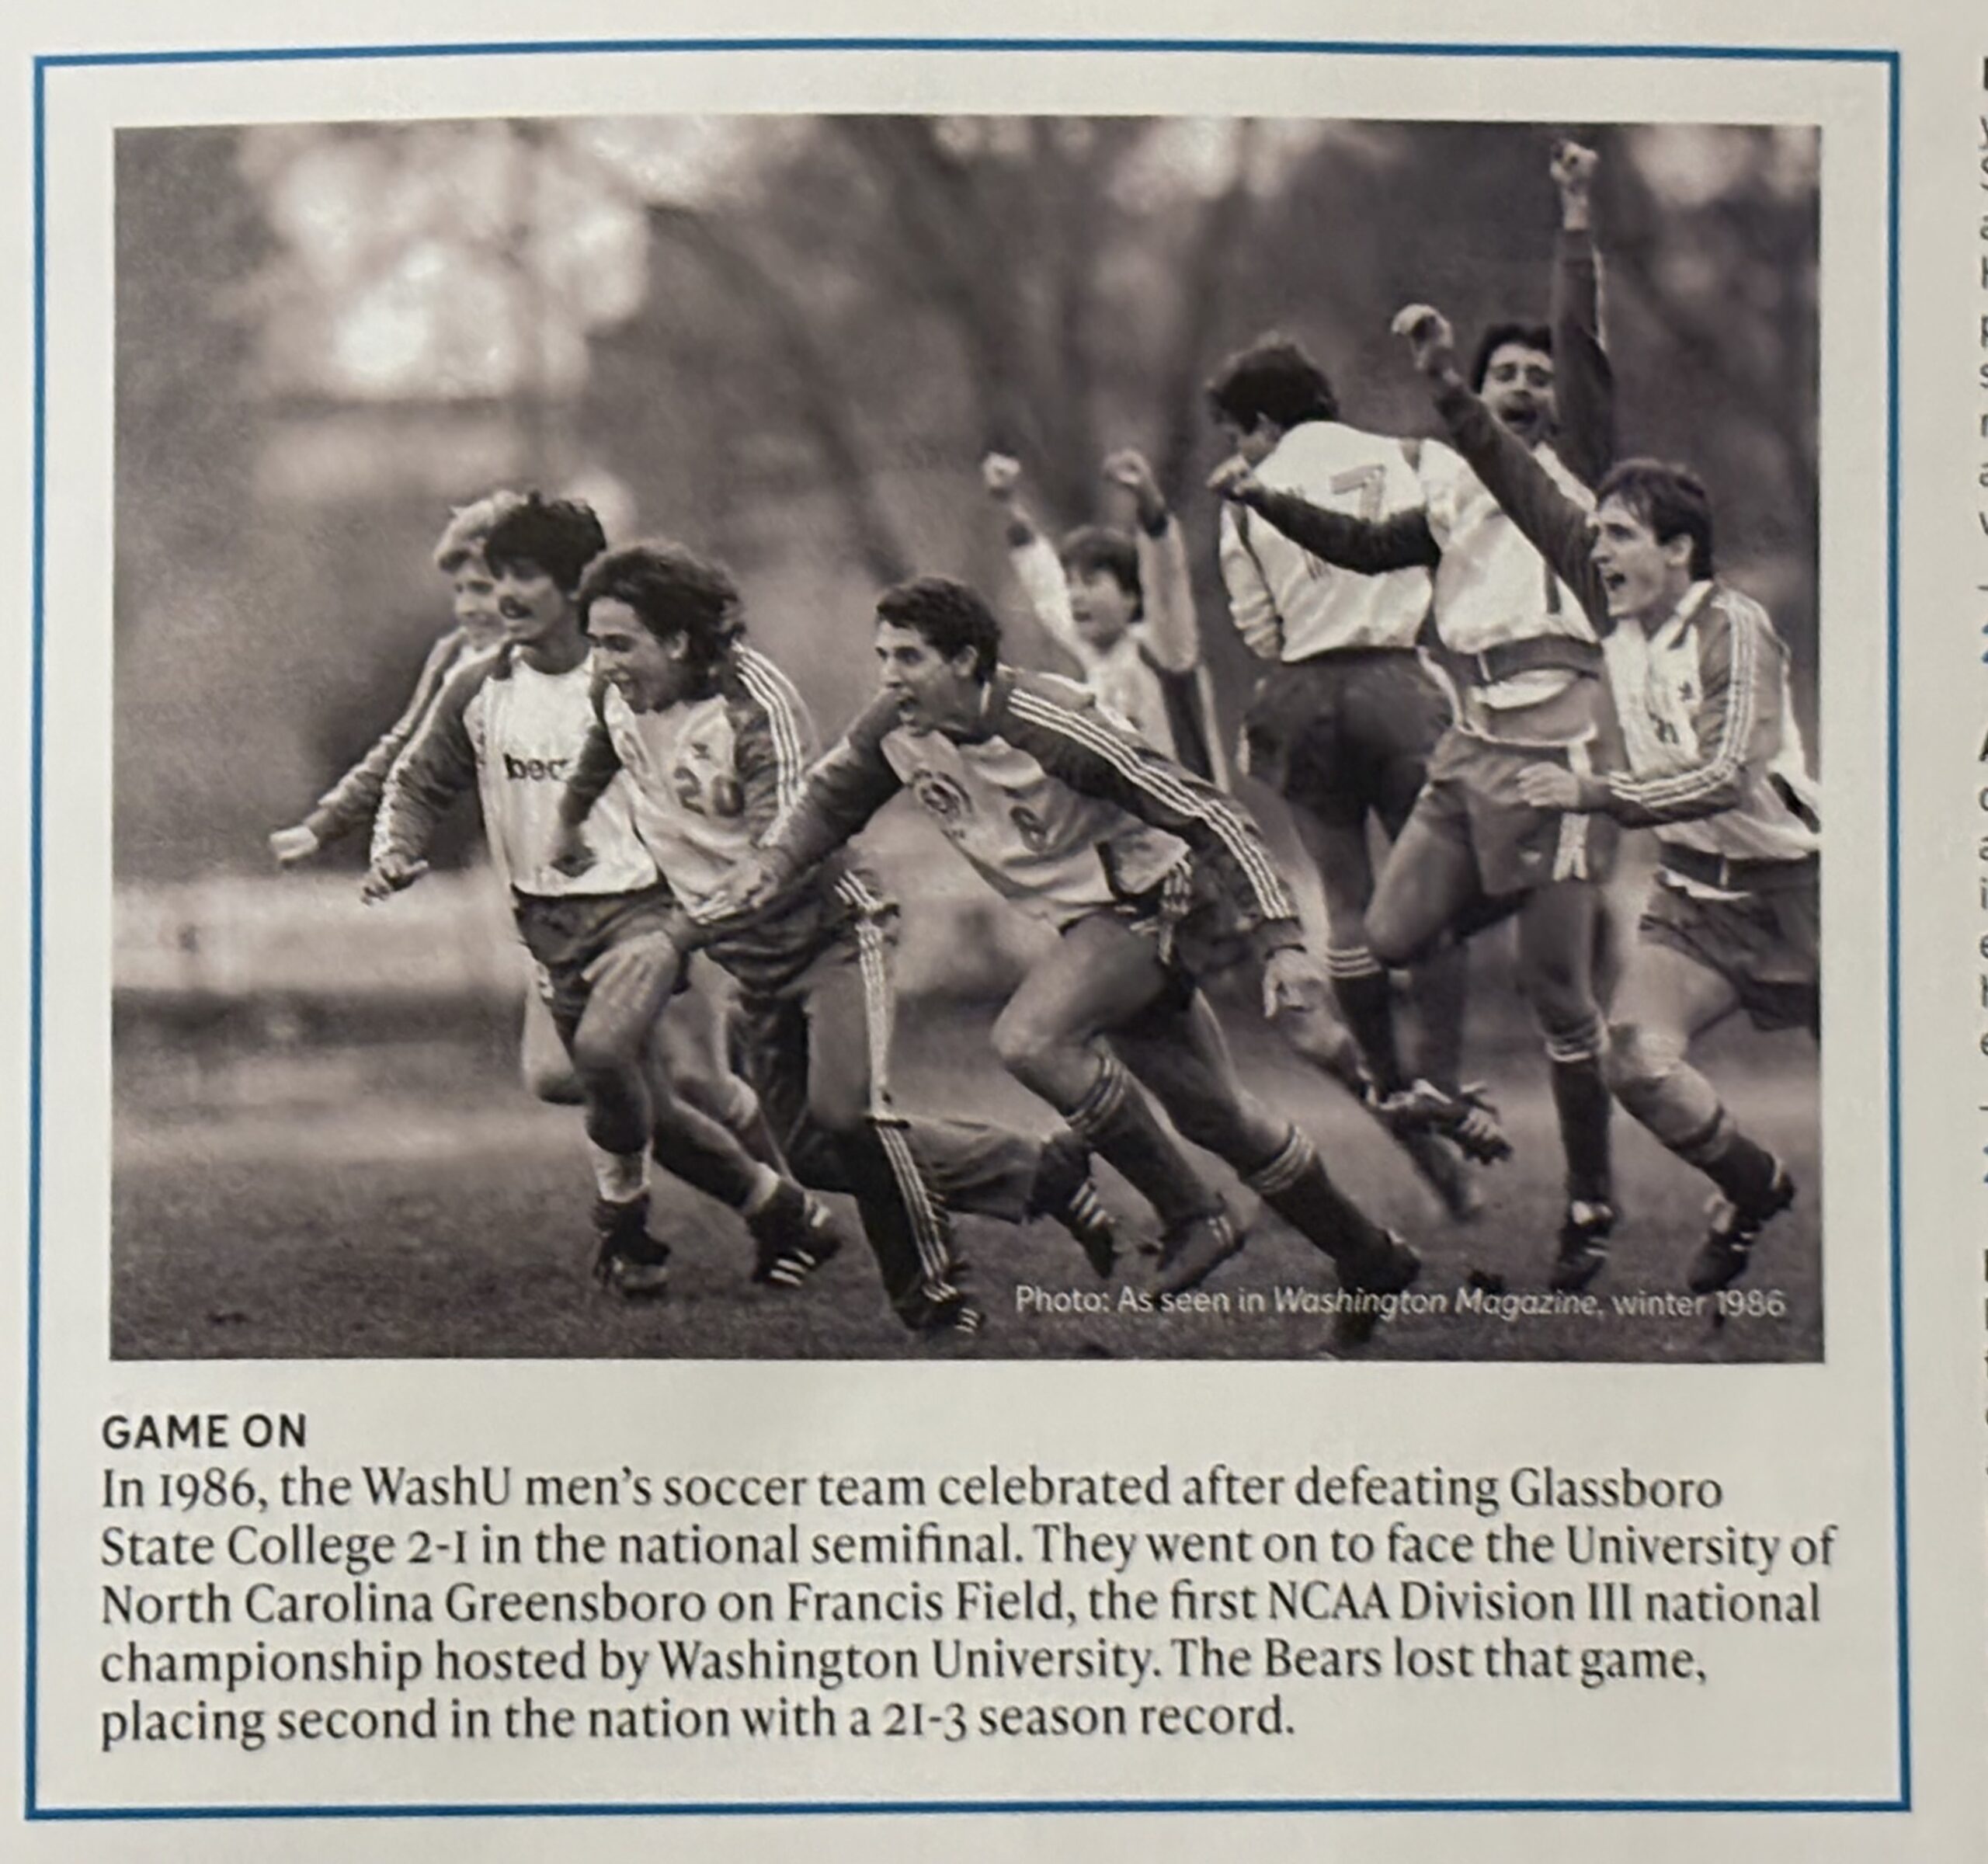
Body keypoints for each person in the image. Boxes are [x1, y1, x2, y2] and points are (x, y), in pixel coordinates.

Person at [700, 574, 1422, 1347]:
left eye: (908, 657)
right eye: (882, 655)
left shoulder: (1055, 726)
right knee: (1215, 1114)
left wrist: (1280, 941)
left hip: (1159, 904)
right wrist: (774, 864)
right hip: (1089, 921)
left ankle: (1194, 1213)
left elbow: (1209, 812)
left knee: (1030, 1038)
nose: (888, 674)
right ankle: (1369, 1256)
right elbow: (828, 801)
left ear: (967, 661)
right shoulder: (898, 727)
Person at [1211, 140, 1623, 1290]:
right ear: (1480, 393)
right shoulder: (1445, 480)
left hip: (1565, 752)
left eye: (1540, 374)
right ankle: (1405, 1084)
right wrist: (1266, 498)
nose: (1529, 385)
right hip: (1474, 751)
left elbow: (1581, 339)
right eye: (1509, 376)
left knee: (1558, 994)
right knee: (1383, 940)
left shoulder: (1586, 464)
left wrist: (1576, 214)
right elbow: (1364, 544)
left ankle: (1589, 1200)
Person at [547, 542, 1119, 1342]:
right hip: (746, 957)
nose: (601, 664)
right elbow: (608, 743)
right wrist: (571, 815)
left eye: (617, 644)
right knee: (815, 1156)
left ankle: (933, 1296)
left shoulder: (757, 708)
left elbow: (774, 859)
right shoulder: (619, 695)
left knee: (851, 1117)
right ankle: (1040, 1171)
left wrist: (674, 936)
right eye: (595, 642)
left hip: (832, 936)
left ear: (677, 641)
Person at [1391, 301, 1817, 1294]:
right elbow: (1514, 473)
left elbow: (1726, 774)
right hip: (1695, 905)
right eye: (1600, 538)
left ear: (1679, 551)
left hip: (1803, 891)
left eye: (1621, 537)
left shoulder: (1734, 626)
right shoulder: (1608, 607)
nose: (1601, 553)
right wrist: (1450, 388)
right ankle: (1754, 1187)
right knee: (1631, 1060)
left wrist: (1594, 790)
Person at [363, 496, 846, 1299]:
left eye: (525, 577)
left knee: (603, 1057)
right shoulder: (478, 687)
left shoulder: (630, 674)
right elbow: (418, 779)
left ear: (574, 587)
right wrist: (395, 851)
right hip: (548, 924)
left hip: (645, 911)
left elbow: (727, 744)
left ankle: (623, 1225)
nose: (505, 596)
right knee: (645, 1103)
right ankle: (781, 1211)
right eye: (496, 578)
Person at [1206, 330, 1493, 1185]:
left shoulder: (1244, 500)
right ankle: (1440, 1077)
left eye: (1237, 433)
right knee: (1432, 887)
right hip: (1400, 683)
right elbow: (1467, 551)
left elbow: (1258, 629)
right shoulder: (1415, 456)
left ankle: (1391, 1080)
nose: (1237, 451)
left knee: (1345, 899)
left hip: (1302, 694)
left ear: (1262, 421)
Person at [981, 447, 1223, 783]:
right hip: (1134, 825)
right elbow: (1045, 584)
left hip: (1196, 821)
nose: (1076, 594)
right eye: (1072, 583)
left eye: (1092, 582)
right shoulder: (1093, 653)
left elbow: (1167, 577)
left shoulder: (1164, 649)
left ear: (1130, 596)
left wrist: (1147, 497)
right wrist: (1008, 503)